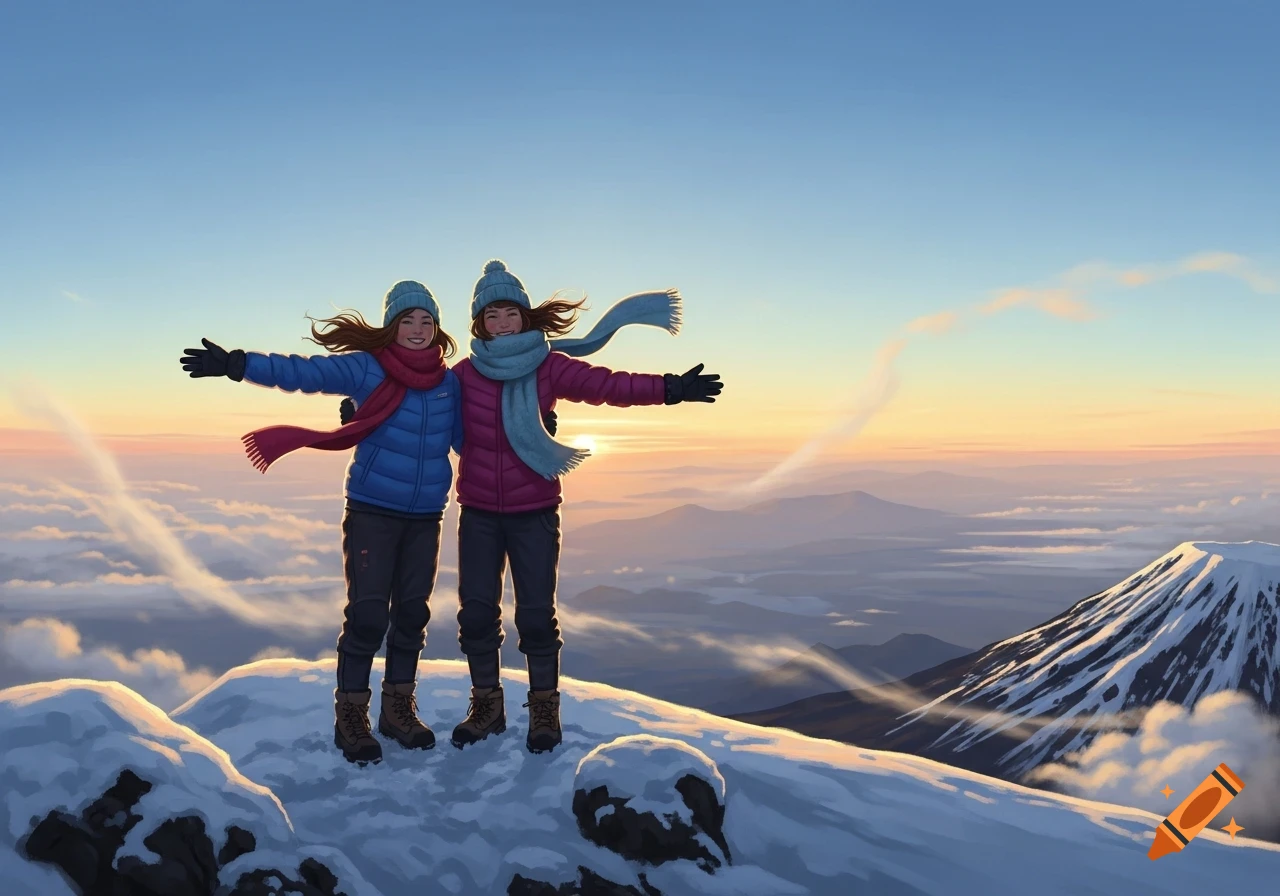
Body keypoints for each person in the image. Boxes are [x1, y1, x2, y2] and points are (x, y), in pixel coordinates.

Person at [180, 281, 461, 766]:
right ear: (391, 326)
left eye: (426, 321)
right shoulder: (366, 367)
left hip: (426, 515)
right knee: (368, 616)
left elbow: (468, 438)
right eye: (407, 320)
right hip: (373, 509)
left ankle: (397, 712)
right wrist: (238, 364)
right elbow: (303, 372)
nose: (418, 329)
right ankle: (351, 717)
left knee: (412, 615)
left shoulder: (448, 383)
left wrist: (534, 428)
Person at [447, 259, 722, 754]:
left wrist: (670, 388)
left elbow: (607, 385)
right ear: (479, 324)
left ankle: (544, 709)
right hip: (480, 512)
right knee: (477, 615)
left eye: (510, 313)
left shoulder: (548, 366)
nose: (503, 322)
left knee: (536, 615)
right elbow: (417, 406)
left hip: (534, 509)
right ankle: (487, 706)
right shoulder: (463, 375)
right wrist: (362, 411)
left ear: (525, 317)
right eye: (492, 315)